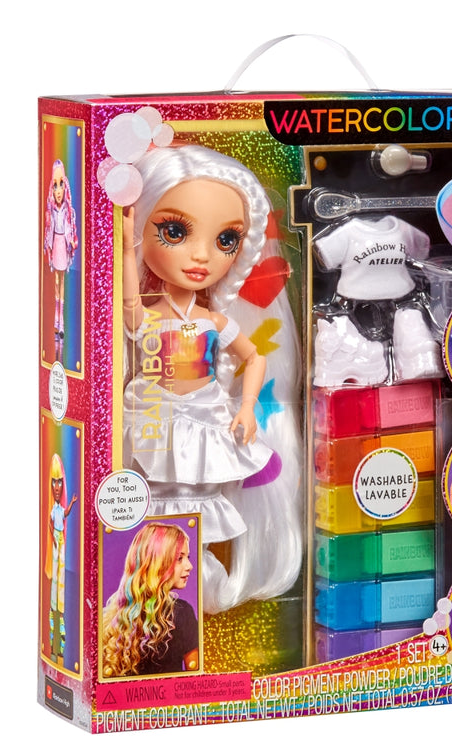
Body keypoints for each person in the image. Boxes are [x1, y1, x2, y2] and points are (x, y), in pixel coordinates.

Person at [121, 144, 302, 614]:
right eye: (175, 232)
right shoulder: (150, 316)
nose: (201, 256)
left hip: (203, 414)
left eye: (226, 240)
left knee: (198, 496)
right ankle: (158, 579)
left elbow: (255, 359)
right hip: (159, 415)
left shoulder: (215, 321)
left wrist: (247, 408)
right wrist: (124, 245)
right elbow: (129, 307)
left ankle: (191, 575)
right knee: (161, 493)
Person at [100, 523, 198, 676]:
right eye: (179, 558)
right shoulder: (182, 613)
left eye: (188, 557)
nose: (189, 566)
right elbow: (196, 676)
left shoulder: (114, 616)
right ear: (158, 563)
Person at [45, 453, 78, 660]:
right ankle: (54, 643)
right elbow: (51, 523)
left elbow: (65, 514)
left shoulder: (60, 509)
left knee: (61, 593)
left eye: (59, 482)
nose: (57, 487)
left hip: (61, 543)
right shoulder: (52, 510)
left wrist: (72, 502)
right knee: (55, 594)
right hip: (57, 543)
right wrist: (54, 539)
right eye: (54, 482)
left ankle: (60, 645)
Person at [44, 159, 78, 338]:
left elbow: (69, 230)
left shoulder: (67, 211)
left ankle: (61, 321)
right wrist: (48, 245)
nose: (58, 191)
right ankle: (56, 321)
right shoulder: (51, 211)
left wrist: (71, 241)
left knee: (62, 281)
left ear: (66, 187)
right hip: (55, 245)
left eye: (61, 185)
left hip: (63, 247)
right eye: (55, 186)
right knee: (56, 283)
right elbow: (49, 231)